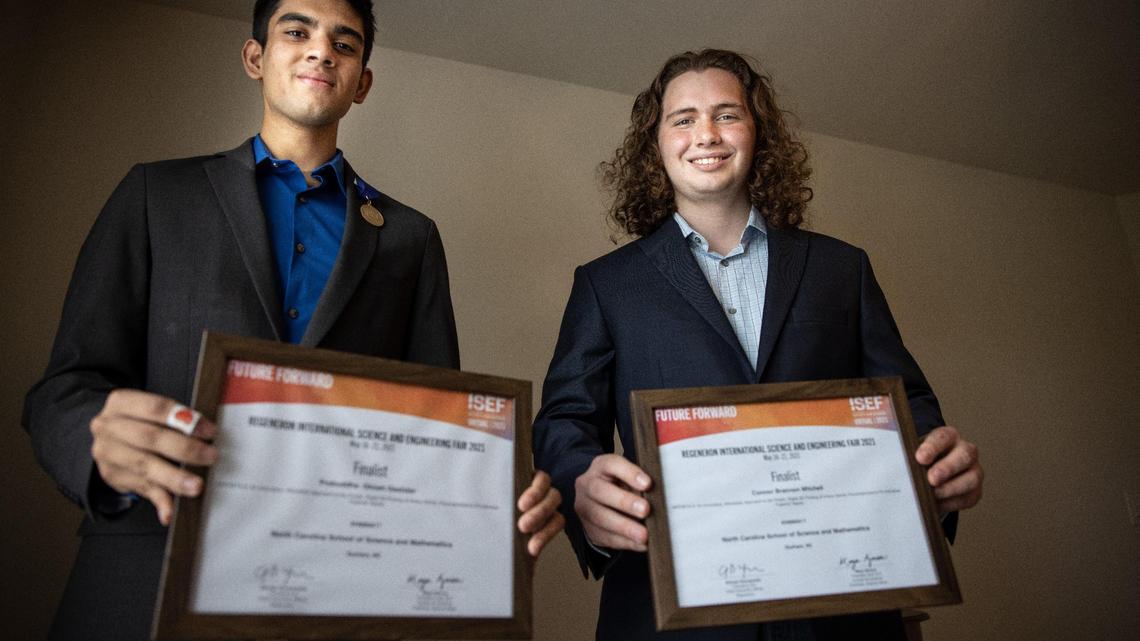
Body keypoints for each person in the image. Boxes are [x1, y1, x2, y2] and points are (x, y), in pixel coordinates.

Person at [23, 1, 562, 639]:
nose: (321, 50)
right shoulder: (154, 195)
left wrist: (486, 492)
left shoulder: (410, 237)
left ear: (361, 82)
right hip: (145, 574)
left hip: (334, 589)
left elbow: (431, 424)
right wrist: (95, 440)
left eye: (345, 42)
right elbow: (63, 388)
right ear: (257, 57)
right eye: (297, 31)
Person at [532, 49, 983, 641]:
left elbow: (908, 403)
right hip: (668, 613)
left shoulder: (841, 269)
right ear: (655, 144)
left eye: (727, 114)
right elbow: (565, 421)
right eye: (683, 118)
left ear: (758, 133)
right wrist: (581, 483)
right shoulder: (605, 283)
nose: (707, 134)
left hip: (842, 608)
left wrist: (935, 461)